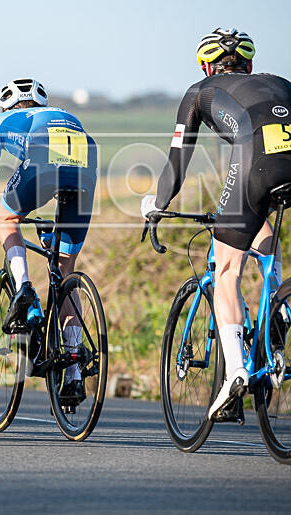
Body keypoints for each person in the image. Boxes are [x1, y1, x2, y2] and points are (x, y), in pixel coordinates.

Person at [141, 28, 291, 419]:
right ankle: (278, 303)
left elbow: (176, 165)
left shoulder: (199, 92)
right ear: (250, 64)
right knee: (262, 228)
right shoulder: (280, 84)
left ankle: (235, 375)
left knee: (225, 269)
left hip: (256, 162)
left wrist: (155, 205)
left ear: (206, 66)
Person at [0, 78, 98, 406]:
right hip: (87, 170)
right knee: (64, 274)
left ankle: (24, 288)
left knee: (8, 219)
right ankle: (72, 374)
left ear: (4, 105)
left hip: (43, 167)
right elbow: (62, 171)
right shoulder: (65, 116)